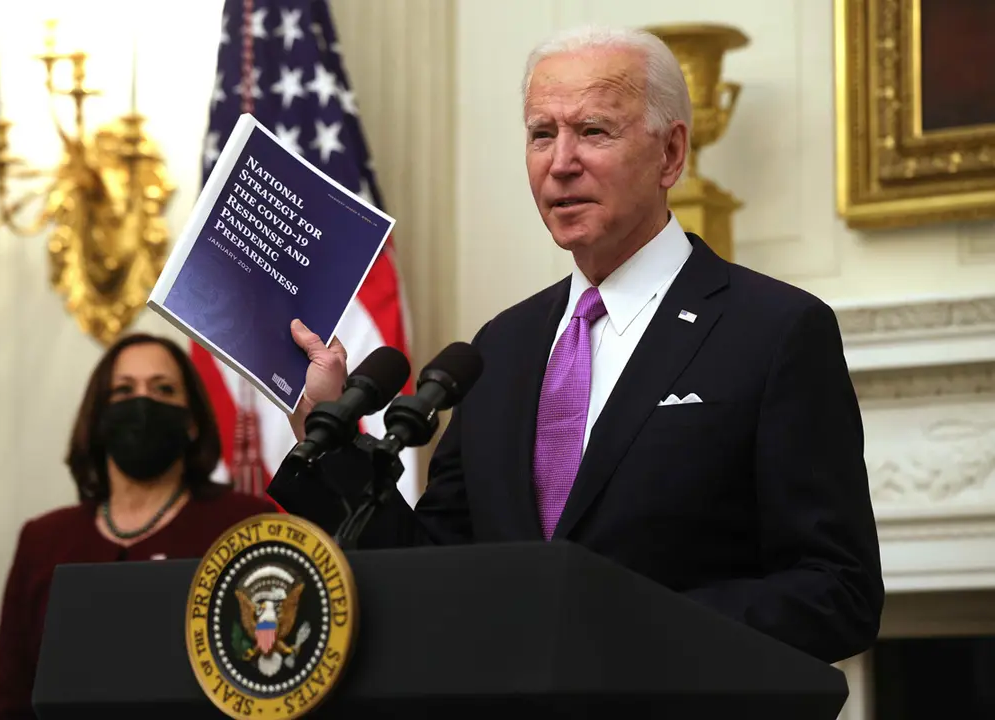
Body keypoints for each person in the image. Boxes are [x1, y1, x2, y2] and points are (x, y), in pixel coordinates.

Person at [271, 25, 884, 664]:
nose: (560, 162)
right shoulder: (499, 348)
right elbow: (434, 569)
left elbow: (838, 593)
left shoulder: (776, 331)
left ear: (671, 155)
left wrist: (622, 628)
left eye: (594, 131)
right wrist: (328, 435)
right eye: (542, 134)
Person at [0, 333, 275, 720]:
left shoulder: (245, 525)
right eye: (123, 391)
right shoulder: (42, 540)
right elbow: (10, 701)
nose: (143, 403)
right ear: (99, 417)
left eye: (163, 389)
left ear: (191, 422)